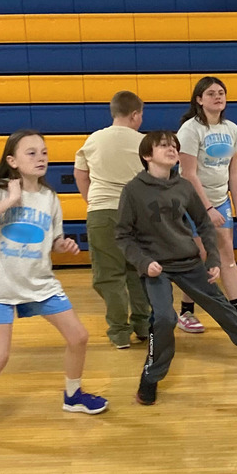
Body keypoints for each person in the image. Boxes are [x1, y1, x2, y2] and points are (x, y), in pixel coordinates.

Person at [0, 130, 108, 448]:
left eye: (44, 153)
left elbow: (50, 239)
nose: (41, 158)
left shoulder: (50, 198)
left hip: (39, 283)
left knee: (78, 336)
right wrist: (11, 200)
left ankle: (73, 395)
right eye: (31, 153)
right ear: (12, 161)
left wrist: (62, 244)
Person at [115, 130, 237, 406]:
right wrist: (143, 262)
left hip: (188, 262)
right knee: (164, 319)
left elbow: (204, 224)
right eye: (164, 146)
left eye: (174, 145)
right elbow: (123, 236)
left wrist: (212, 260)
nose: (172, 149)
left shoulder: (184, 186)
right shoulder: (133, 190)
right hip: (156, 268)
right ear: (147, 155)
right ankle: (150, 379)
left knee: (224, 309)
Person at [175, 76, 237, 333]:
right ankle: (186, 313)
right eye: (211, 93)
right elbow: (189, 173)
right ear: (199, 100)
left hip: (220, 200)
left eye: (221, 92)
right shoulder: (190, 130)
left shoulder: (231, 129)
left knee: (227, 254)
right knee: (200, 255)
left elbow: (234, 171)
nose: (217, 96)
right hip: (192, 202)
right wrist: (208, 209)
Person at [73, 90, 152, 349]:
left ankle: (119, 333)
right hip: (136, 214)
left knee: (109, 275)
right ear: (135, 114)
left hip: (101, 212)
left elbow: (80, 174)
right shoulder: (144, 143)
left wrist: (92, 202)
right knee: (139, 271)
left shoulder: (93, 140)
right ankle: (143, 325)